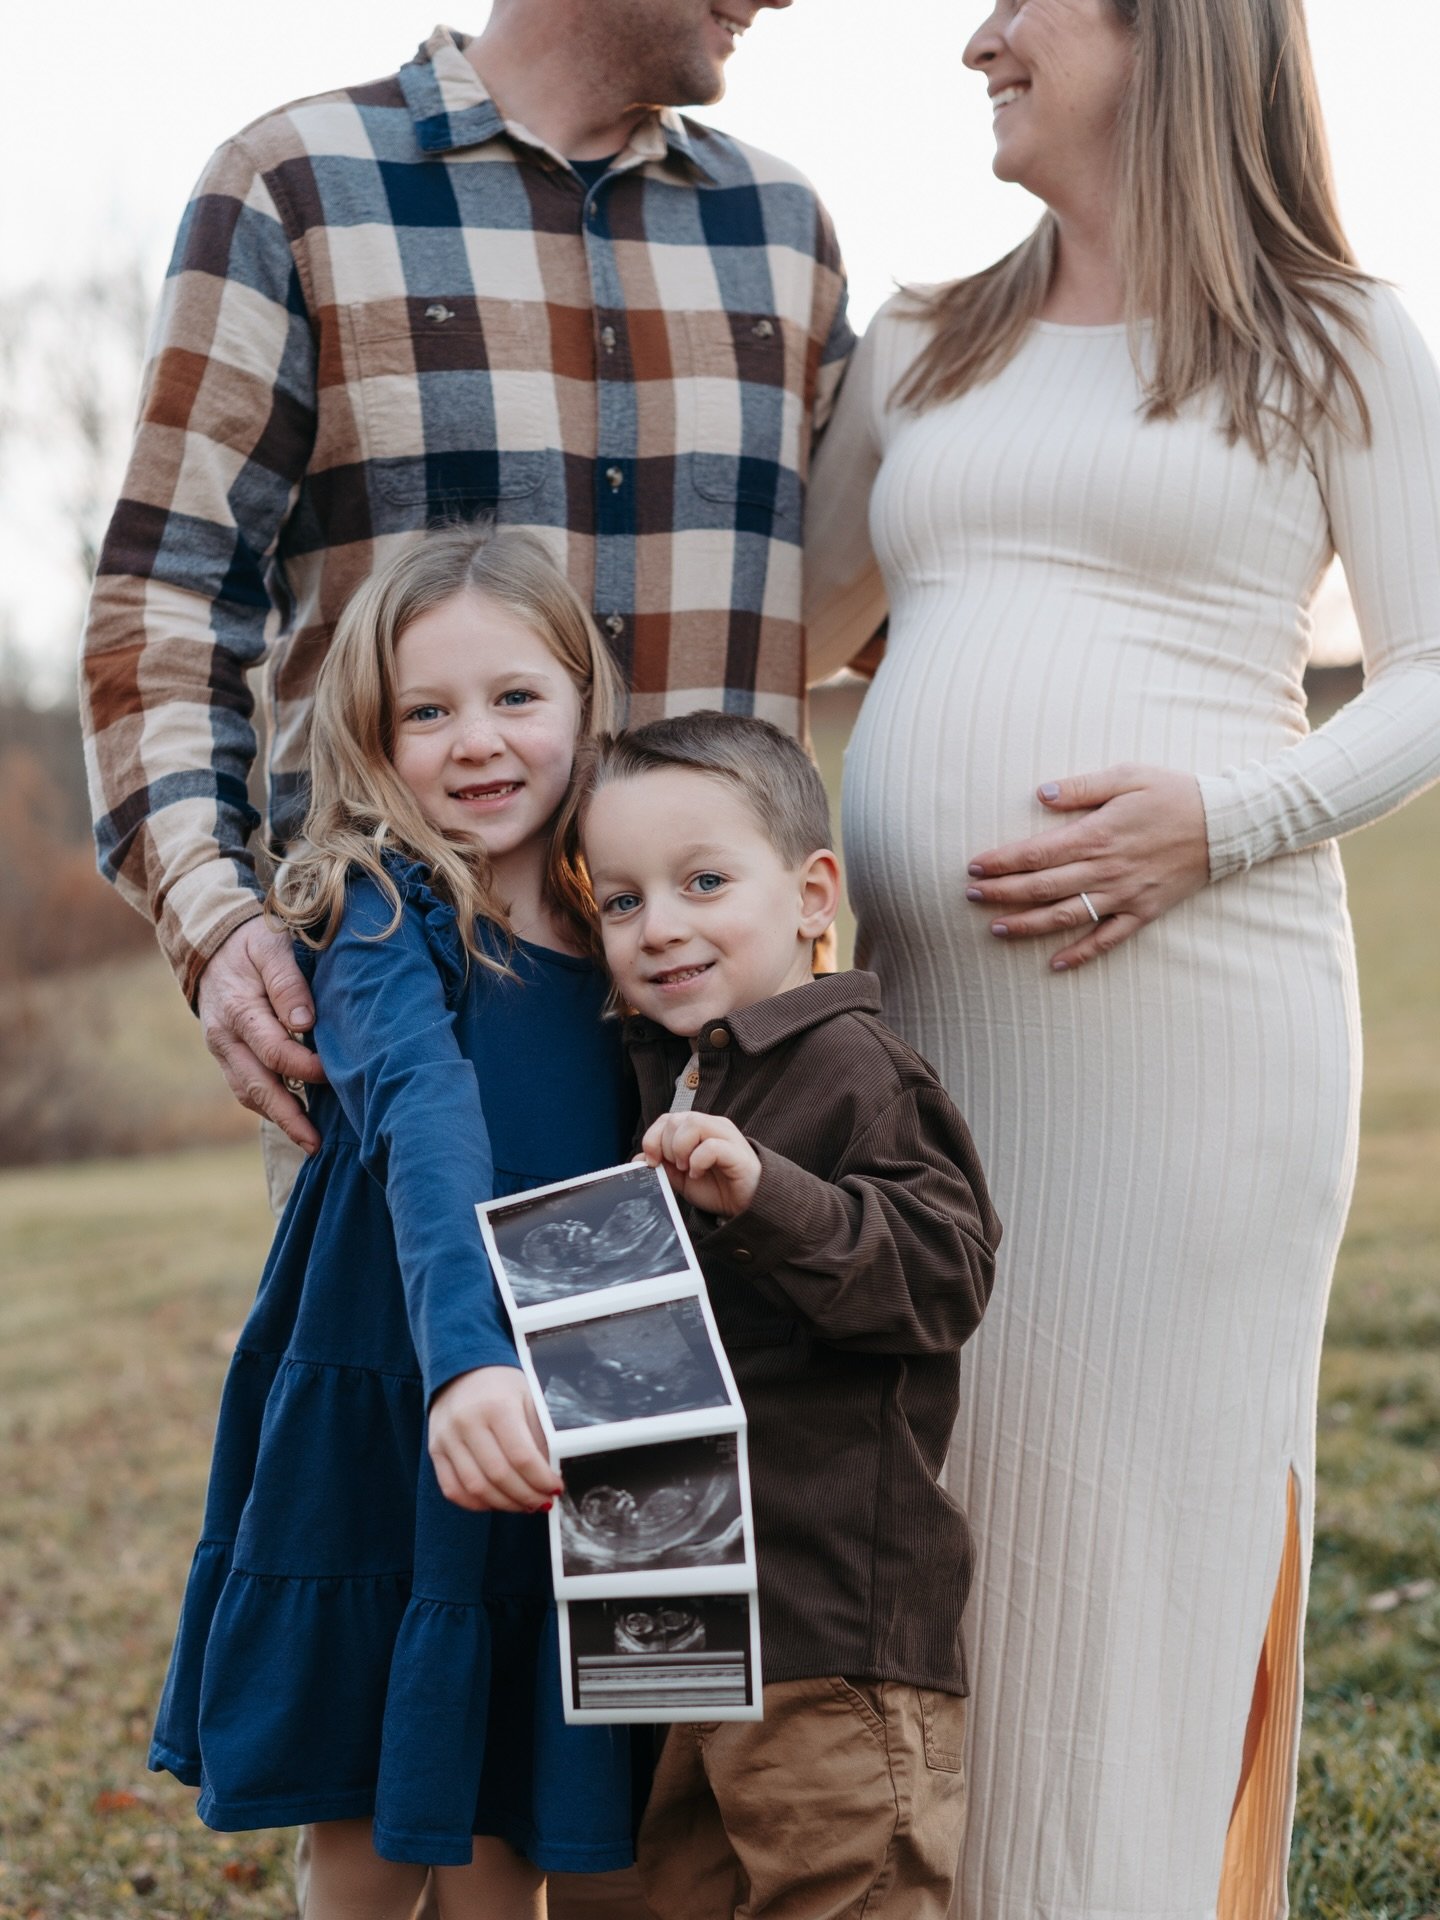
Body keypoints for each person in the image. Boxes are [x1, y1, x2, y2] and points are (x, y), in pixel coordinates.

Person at [803, 1, 1440, 1915]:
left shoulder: (1337, 338)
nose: (976, 37)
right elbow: (802, 635)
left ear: (1175, 39)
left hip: (1201, 1055)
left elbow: (1428, 675)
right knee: (946, 1511)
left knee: (1137, 1537)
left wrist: (1218, 819)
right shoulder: (924, 346)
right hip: (918, 1058)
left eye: (1028, 3)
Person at [80, 0, 849, 1175]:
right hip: (414, 1040)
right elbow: (165, 598)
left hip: (735, 1078)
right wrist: (217, 920)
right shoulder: (294, 188)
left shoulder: (783, 233)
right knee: (423, 1364)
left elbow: (909, 574)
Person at [149, 525, 641, 1918]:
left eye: (514, 699)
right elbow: (428, 1129)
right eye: (427, 712)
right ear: (373, 738)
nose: (474, 742)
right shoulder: (381, 912)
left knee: (508, 1818)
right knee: (370, 1822)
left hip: (563, 1405)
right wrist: (468, 1360)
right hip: (400, 1393)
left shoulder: (623, 921)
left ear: (583, 705)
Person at [576, 712, 1001, 1920]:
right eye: (620, 901)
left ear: (815, 894)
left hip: (828, 1633)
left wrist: (770, 1194)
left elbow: (943, 1274)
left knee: (842, 1890)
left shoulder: (860, 1075)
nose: (659, 925)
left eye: (703, 882)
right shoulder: (651, 1075)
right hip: (672, 1619)